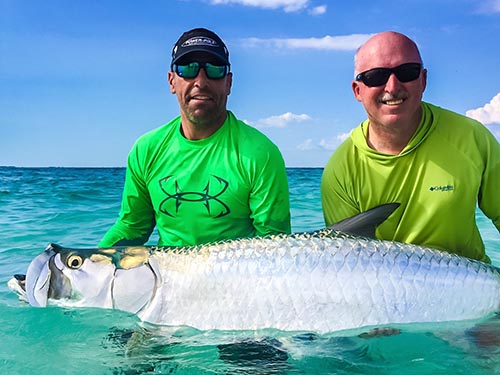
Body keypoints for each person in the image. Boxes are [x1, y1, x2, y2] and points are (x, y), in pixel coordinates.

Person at [99, 27, 291, 247]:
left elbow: (274, 244)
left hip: (239, 279)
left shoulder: (260, 153)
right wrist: (91, 265)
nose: (201, 81)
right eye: (188, 69)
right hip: (167, 278)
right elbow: (132, 227)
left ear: (228, 83)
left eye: (214, 69)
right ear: (172, 81)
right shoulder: (146, 149)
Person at [321, 31, 500, 262]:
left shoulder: (473, 138)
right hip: (385, 297)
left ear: (423, 80)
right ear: (357, 90)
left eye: (407, 72)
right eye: (376, 76)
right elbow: (349, 264)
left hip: (476, 295)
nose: (392, 87)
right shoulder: (340, 170)